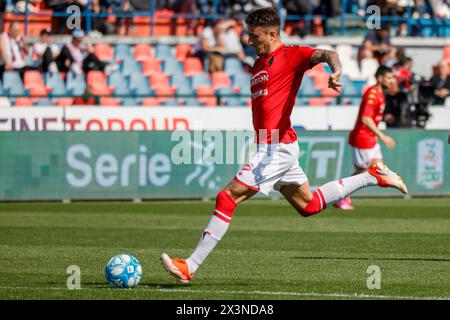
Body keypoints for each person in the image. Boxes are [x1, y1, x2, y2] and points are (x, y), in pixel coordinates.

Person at [160, 8, 408, 283]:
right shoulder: (259, 64)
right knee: (309, 205)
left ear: (273, 34)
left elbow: (328, 54)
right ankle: (372, 175)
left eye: (254, 36)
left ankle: (190, 266)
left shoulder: (291, 55)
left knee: (227, 197)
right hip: (279, 145)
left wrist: (335, 71)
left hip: (276, 148)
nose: (249, 41)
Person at [334, 66, 397, 210]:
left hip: (371, 139)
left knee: (378, 170)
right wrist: (383, 136)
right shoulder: (373, 93)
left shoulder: (381, 93)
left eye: (392, 77)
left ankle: (341, 193)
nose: (392, 80)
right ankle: (340, 195)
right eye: (388, 77)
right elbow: (366, 119)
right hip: (362, 139)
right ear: (380, 78)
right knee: (362, 173)